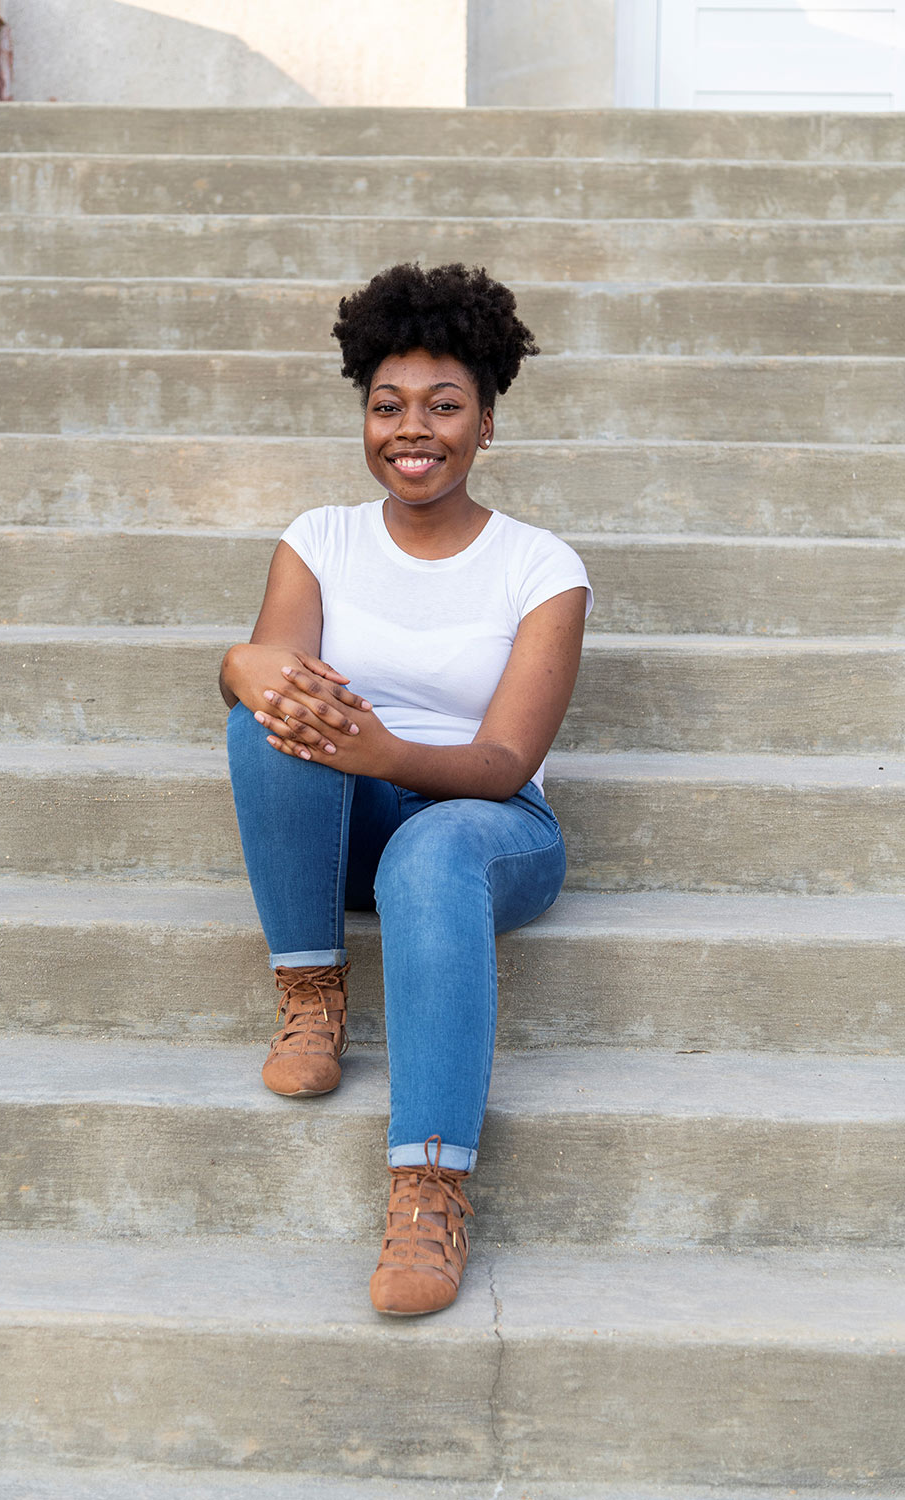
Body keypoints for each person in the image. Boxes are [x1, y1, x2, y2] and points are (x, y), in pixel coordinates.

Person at [219, 262, 592, 1317]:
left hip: (486, 825)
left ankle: (429, 1185)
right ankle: (311, 991)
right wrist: (239, 666)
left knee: (433, 850)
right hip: (345, 810)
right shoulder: (320, 538)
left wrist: (380, 752)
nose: (410, 429)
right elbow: (271, 673)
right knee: (268, 718)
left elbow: (502, 764)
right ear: (363, 416)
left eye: (443, 405)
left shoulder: (540, 567)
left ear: (485, 423)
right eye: (387, 406)